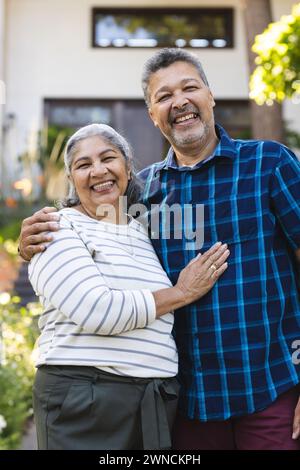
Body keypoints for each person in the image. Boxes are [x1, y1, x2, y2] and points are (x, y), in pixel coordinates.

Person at [19, 48, 300, 450]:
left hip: (270, 387)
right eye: (164, 96)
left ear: (210, 95)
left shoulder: (269, 163)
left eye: (190, 87)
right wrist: (30, 242)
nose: (179, 101)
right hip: (188, 401)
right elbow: (87, 223)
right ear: (153, 115)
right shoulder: (143, 194)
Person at [26, 122, 229, 450]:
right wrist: (182, 292)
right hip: (87, 399)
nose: (98, 170)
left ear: (127, 166)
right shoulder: (57, 228)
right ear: (71, 179)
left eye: (108, 158)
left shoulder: (141, 230)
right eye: (83, 164)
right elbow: (97, 311)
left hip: (152, 399)